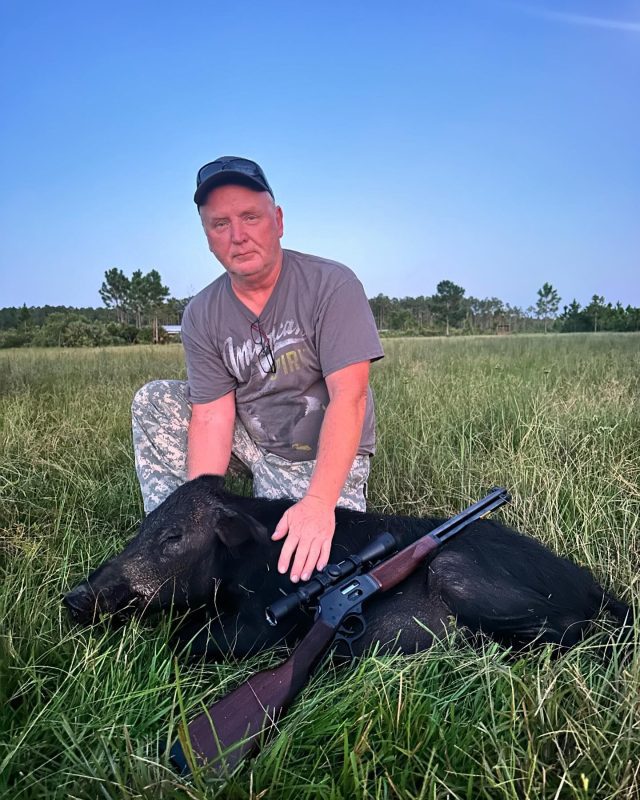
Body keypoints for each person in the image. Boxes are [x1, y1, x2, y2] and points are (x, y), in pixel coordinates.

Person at [132, 156, 383, 583]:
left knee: (303, 566)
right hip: (254, 438)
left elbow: (350, 397)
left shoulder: (332, 285)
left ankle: (310, 499)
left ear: (278, 220)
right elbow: (212, 414)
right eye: (220, 224)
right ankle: (171, 542)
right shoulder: (202, 313)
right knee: (156, 400)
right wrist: (200, 517)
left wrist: (320, 504)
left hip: (317, 448)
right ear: (207, 236)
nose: (238, 236)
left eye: (251, 217)